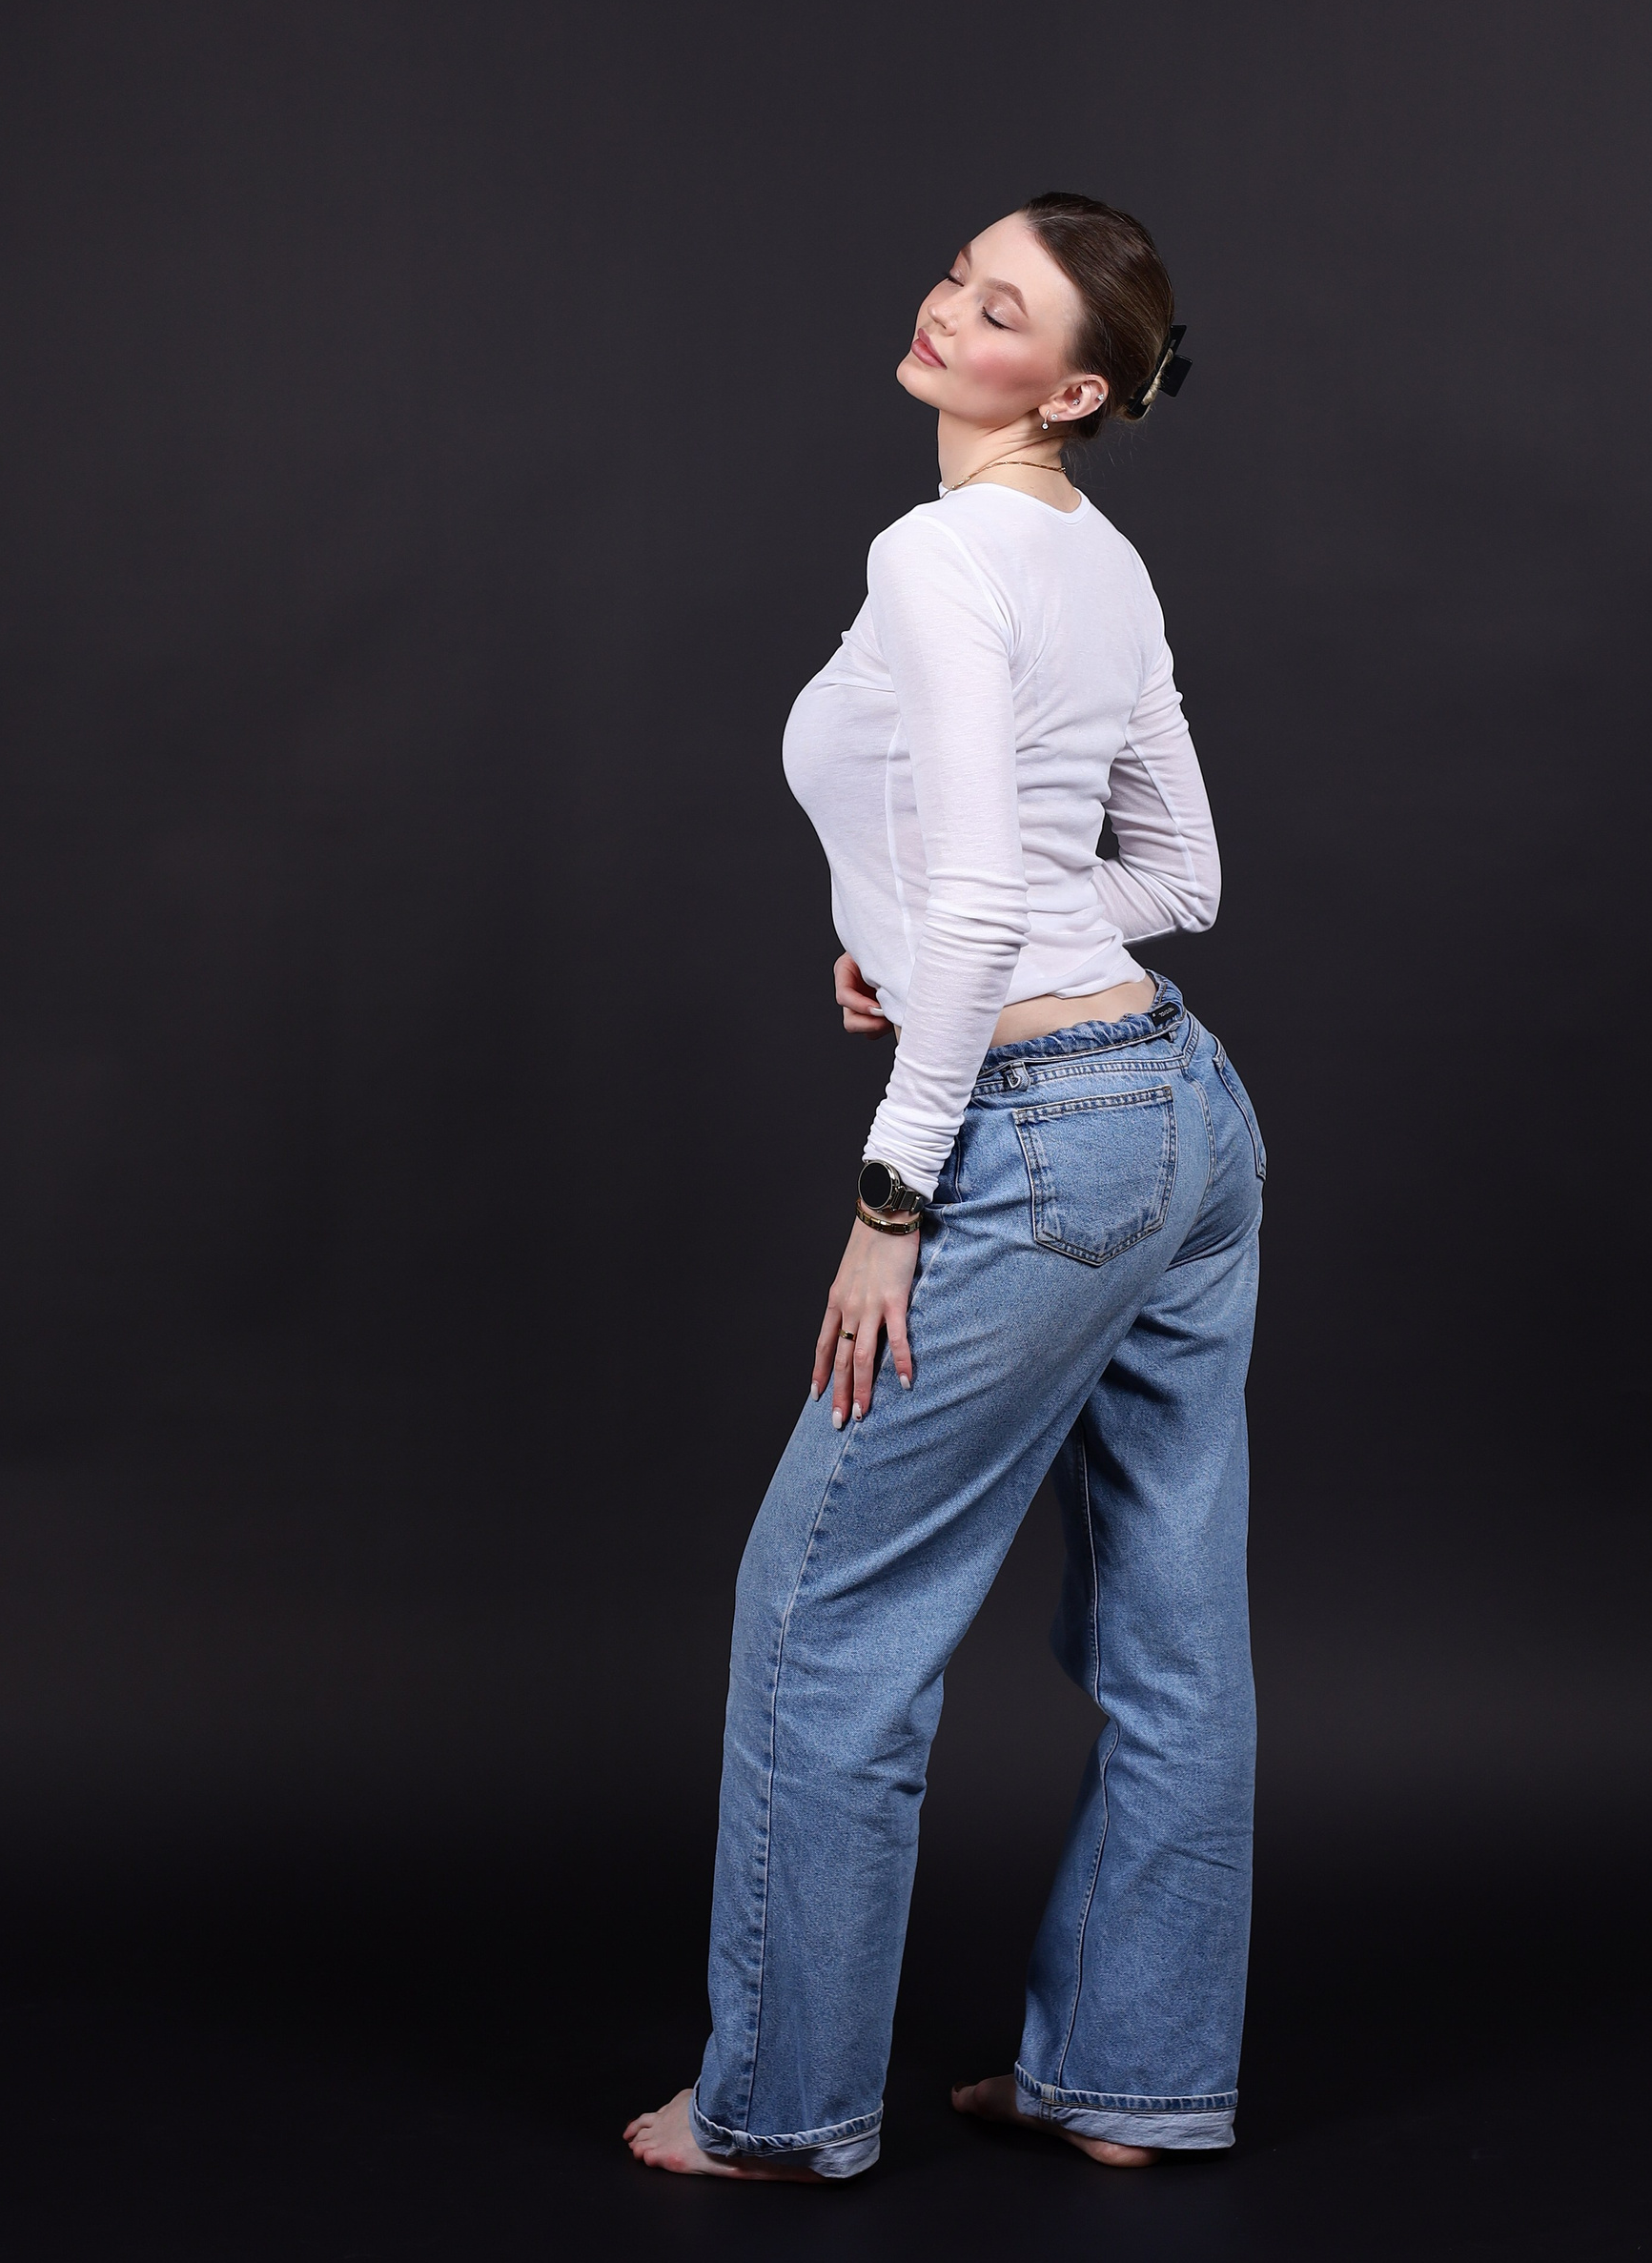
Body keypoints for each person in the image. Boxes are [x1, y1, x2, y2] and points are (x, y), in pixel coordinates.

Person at [625, 193, 1264, 2179]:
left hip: (1043, 1136)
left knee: (824, 1615)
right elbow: (1173, 885)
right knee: (1171, 1637)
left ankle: (781, 2109)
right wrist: (917, 955)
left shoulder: (938, 553)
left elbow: (1001, 898)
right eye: (960, 275)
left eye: (1003, 311)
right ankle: (1136, 2084)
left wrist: (891, 1198)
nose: (948, 312)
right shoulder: (1099, 564)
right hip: (1182, 1115)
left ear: (1071, 390)